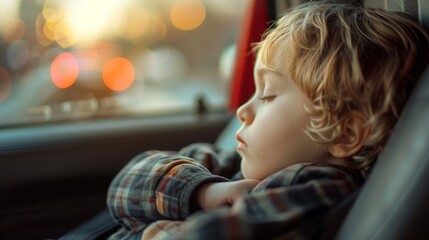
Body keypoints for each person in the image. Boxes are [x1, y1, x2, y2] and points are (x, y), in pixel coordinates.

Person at [106, 1, 429, 239]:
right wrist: (203, 192)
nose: (242, 112)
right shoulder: (227, 161)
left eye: (268, 95)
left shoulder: (315, 188)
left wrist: (151, 229)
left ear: (345, 133)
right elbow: (124, 186)